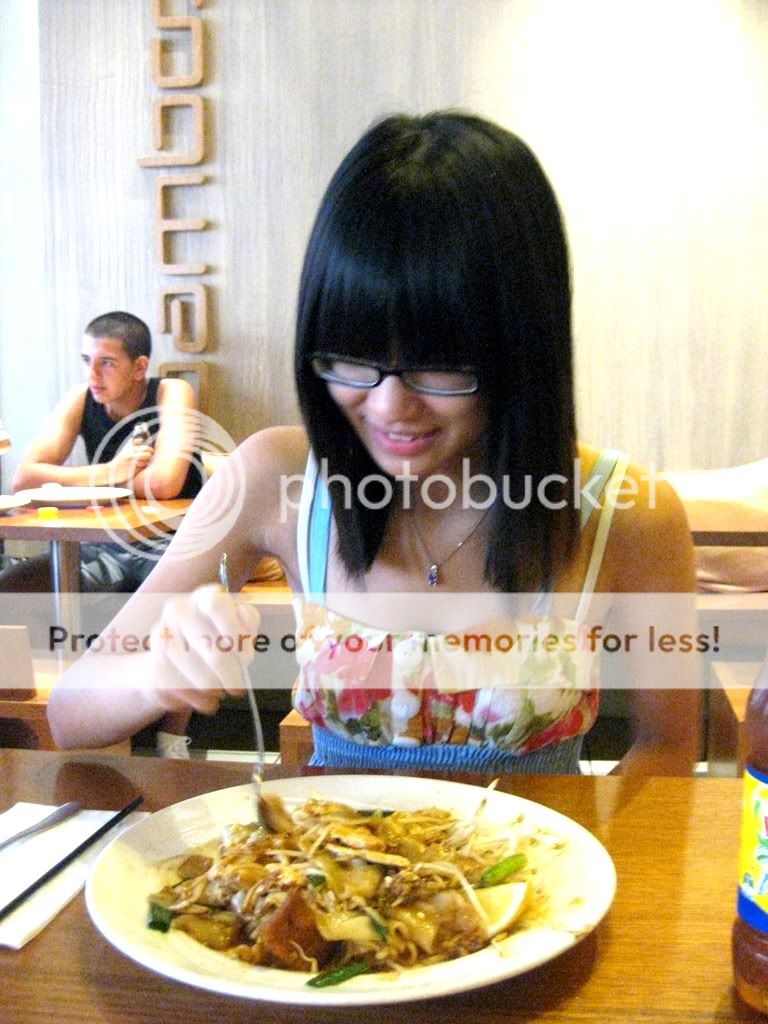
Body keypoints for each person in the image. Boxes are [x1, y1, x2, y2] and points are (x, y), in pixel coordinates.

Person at [47, 112, 699, 775]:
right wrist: (156, 674)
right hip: (324, 844)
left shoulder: (626, 512)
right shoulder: (275, 477)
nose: (389, 407)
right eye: (353, 357)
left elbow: (668, 746)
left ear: (522, 347)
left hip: (535, 846)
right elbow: (69, 715)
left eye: (439, 364)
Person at [0, 311, 203, 594]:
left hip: (168, 542)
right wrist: (111, 471)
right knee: (14, 585)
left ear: (139, 368)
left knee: (159, 595)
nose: (92, 375)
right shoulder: (80, 397)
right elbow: (25, 479)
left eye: (106, 363)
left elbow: (163, 484)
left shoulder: (171, 392)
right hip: (101, 543)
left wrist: (78, 482)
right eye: (87, 361)